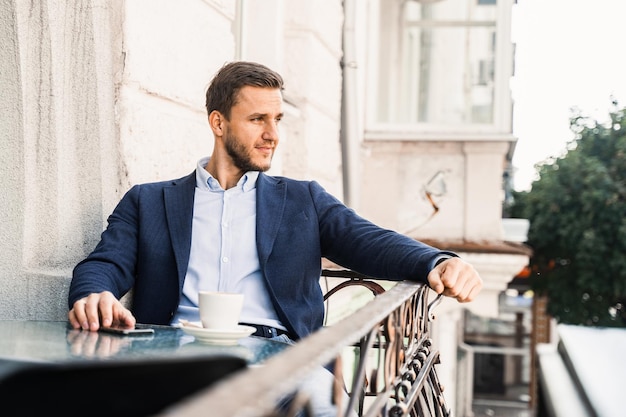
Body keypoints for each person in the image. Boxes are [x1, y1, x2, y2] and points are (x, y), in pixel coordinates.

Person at [68, 61, 482, 416]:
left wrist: (438, 262)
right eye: (257, 120)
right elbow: (103, 264)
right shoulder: (150, 201)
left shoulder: (303, 200)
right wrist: (93, 294)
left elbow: (370, 241)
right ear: (218, 122)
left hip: (280, 359)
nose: (273, 134)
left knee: (323, 404)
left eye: (277, 120)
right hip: (175, 355)